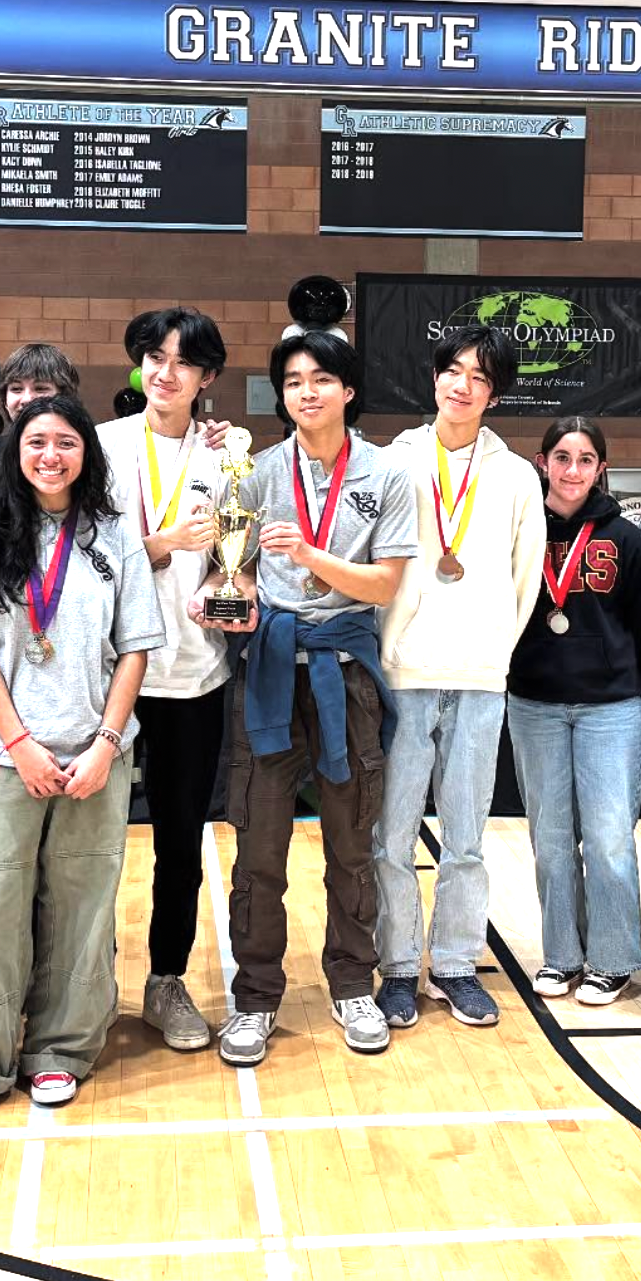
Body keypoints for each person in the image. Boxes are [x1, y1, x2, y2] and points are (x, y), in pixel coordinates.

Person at [193, 331, 417, 1067]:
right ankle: (255, 996)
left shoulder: (384, 473)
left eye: (322, 379)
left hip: (346, 671)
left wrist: (313, 557)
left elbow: (385, 582)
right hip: (269, 671)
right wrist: (231, 597)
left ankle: (353, 982)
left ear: (348, 390)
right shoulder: (255, 471)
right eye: (293, 382)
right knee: (258, 845)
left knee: (353, 844)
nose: (307, 392)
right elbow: (242, 568)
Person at [0, 394, 163, 1110]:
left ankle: (61, 1048)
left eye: (66, 442)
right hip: (7, 754)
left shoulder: (116, 533)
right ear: (16, 451)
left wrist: (106, 741)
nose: (50, 455)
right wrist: (19, 742)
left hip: (97, 754)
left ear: (86, 454)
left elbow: (134, 648)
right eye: (36, 441)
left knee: (81, 908)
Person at [373, 325, 545, 1029]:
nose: (461, 384)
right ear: (435, 377)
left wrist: (495, 648)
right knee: (392, 834)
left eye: (478, 376)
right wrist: (390, 648)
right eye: (452, 369)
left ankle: (452, 961)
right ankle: (395, 964)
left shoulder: (514, 475)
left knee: (468, 834)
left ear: (494, 393)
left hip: (479, 673)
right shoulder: (395, 460)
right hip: (404, 673)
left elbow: (524, 574)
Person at [98, 308, 231, 1052]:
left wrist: (221, 578)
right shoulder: (99, 445)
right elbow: (77, 552)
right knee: (89, 845)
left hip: (193, 675)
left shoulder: (226, 455)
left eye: (183, 362)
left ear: (206, 377)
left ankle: (166, 981)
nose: (165, 372)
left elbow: (230, 556)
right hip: (108, 674)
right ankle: (83, 982)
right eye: (153, 356)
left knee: (180, 842)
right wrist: (159, 543)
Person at [506, 418, 641, 1005]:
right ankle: (562, 955)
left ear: (601, 468)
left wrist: (621, 678)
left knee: (610, 837)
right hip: (535, 702)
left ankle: (613, 958)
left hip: (609, 707)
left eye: (586, 460)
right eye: (562, 458)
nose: (573, 471)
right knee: (550, 836)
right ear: (543, 462)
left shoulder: (628, 538)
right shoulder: (519, 529)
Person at [0, 342, 82, 472]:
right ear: (5, 400)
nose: (27, 399)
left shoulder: (84, 452)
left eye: (40, 388)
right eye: (16, 389)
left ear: (65, 396)